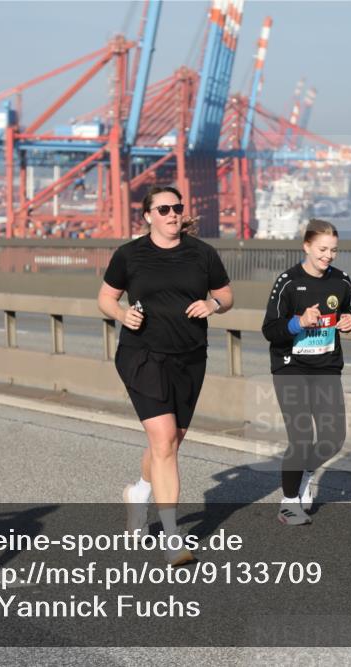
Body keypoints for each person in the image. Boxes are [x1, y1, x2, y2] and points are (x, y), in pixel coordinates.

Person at [97, 186, 233, 564]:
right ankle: (173, 537)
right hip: (143, 355)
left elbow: (226, 295)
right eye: (164, 209)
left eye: (177, 208)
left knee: (171, 442)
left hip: (190, 356)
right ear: (147, 216)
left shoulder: (202, 253)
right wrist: (123, 314)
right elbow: (106, 298)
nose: (172, 214)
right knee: (163, 439)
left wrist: (212, 304)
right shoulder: (129, 255)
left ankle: (140, 491)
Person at [261, 220, 351, 525]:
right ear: (306, 246)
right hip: (291, 367)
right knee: (302, 439)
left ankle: (304, 473)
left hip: (326, 366)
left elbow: (349, 311)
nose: (328, 255)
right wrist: (298, 323)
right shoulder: (288, 282)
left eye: (333, 250)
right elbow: (269, 330)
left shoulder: (342, 281)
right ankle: (289, 503)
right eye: (322, 249)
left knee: (333, 439)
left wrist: (349, 321)